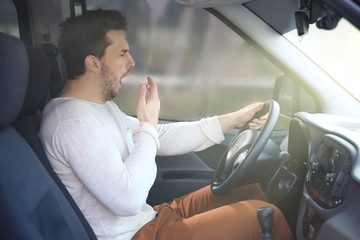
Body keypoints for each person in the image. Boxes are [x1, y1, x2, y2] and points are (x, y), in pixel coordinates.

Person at [39, 9, 292, 240]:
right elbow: (127, 199)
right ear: (93, 63)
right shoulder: (70, 122)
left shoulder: (98, 107)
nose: (132, 63)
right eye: (123, 53)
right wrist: (147, 127)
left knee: (253, 193)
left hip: (151, 218)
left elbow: (159, 135)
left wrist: (232, 119)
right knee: (266, 214)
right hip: (137, 235)